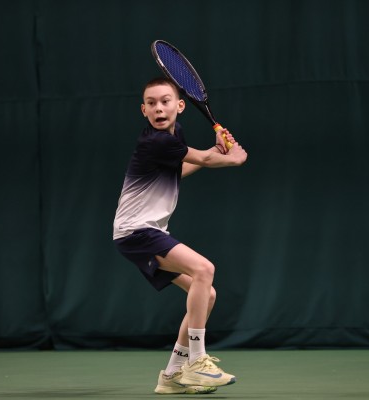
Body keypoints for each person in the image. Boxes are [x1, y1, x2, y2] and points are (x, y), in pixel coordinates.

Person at [113, 77, 248, 394]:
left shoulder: (174, 136)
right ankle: (198, 362)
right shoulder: (156, 141)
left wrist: (215, 149)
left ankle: (172, 374)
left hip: (142, 232)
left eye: (165, 101)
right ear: (143, 110)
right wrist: (233, 157)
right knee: (204, 269)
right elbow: (204, 159)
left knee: (206, 293)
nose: (158, 108)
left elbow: (179, 170)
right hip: (136, 230)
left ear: (180, 105)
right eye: (151, 103)